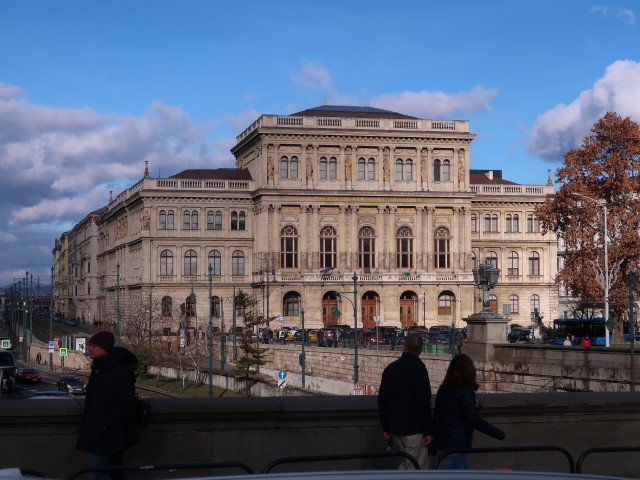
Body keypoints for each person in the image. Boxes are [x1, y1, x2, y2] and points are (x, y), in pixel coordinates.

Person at [76, 331, 139, 480]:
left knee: (94, 474)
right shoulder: (100, 368)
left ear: (105, 348)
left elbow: (126, 403)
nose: (90, 348)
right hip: (101, 433)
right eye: (90, 345)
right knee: (106, 472)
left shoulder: (114, 371)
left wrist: (106, 424)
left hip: (107, 434)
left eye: (94, 345)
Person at [430, 354, 505, 469]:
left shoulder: (443, 389)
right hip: (457, 444)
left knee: (465, 472)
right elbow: (474, 420)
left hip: (444, 442)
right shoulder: (465, 392)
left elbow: (438, 418)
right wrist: (498, 433)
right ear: (469, 371)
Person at [378, 333, 433, 469]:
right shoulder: (419, 370)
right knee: (415, 467)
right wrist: (428, 430)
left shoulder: (390, 369)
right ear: (420, 350)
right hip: (414, 429)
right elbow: (423, 402)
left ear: (405, 347)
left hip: (395, 428)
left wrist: (386, 426)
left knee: (406, 463)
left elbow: (382, 400)